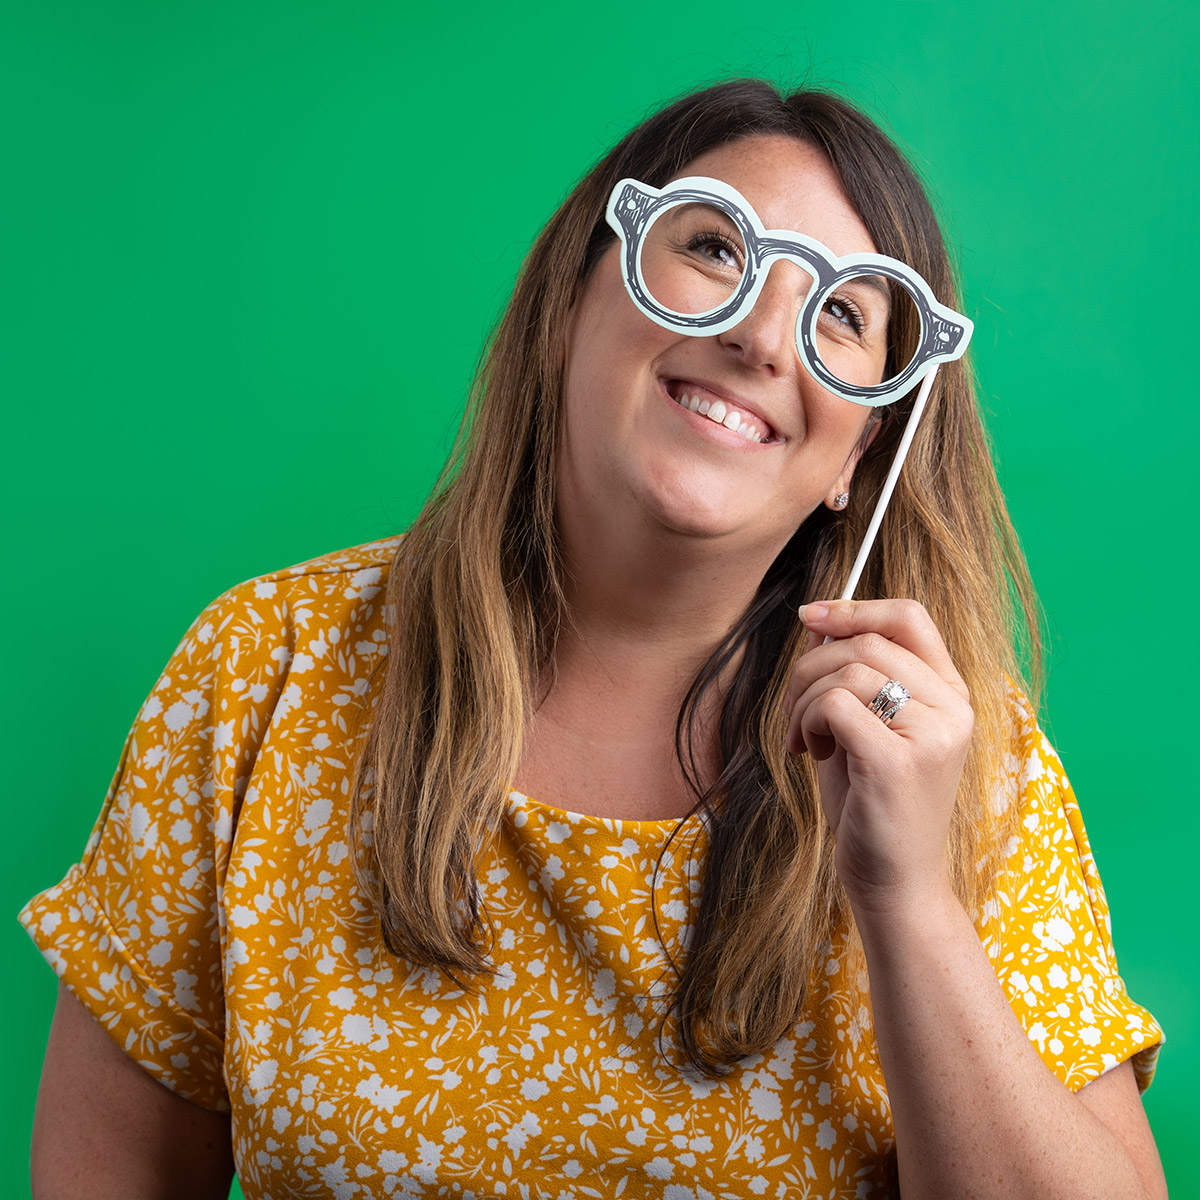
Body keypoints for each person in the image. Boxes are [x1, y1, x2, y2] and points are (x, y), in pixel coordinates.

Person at [24, 79, 1166, 1199]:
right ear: (576, 297)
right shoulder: (265, 672)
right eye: (716, 249)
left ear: (864, 453)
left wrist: (910, 899)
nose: (765, 337)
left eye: (841, 314)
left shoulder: (955, 767)